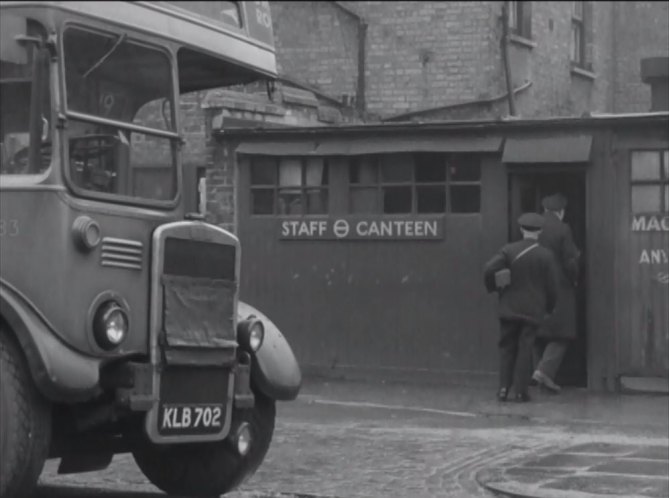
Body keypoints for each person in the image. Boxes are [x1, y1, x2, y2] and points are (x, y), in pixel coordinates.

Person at [484, 213, 558, 402]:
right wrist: (549, 307)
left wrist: (493, 288)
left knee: (507, 348)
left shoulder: (508, 250)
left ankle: (502, 389)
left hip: (508, 308)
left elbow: (489, 268)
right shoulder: (546, 256)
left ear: (521, 230)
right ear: (540, 232)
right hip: (532, 310)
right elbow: (552, 287)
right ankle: (520, 392)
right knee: (525, 349)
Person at [532, 193, 581, 393]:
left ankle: (537, 372)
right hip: (559, 286)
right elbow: (570, 261)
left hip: (535, 286)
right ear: (560, 211)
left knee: (537, 332)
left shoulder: (533, 227)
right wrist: (575, 277)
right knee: (562, 333)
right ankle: (544, 371)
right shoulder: (563, 228)